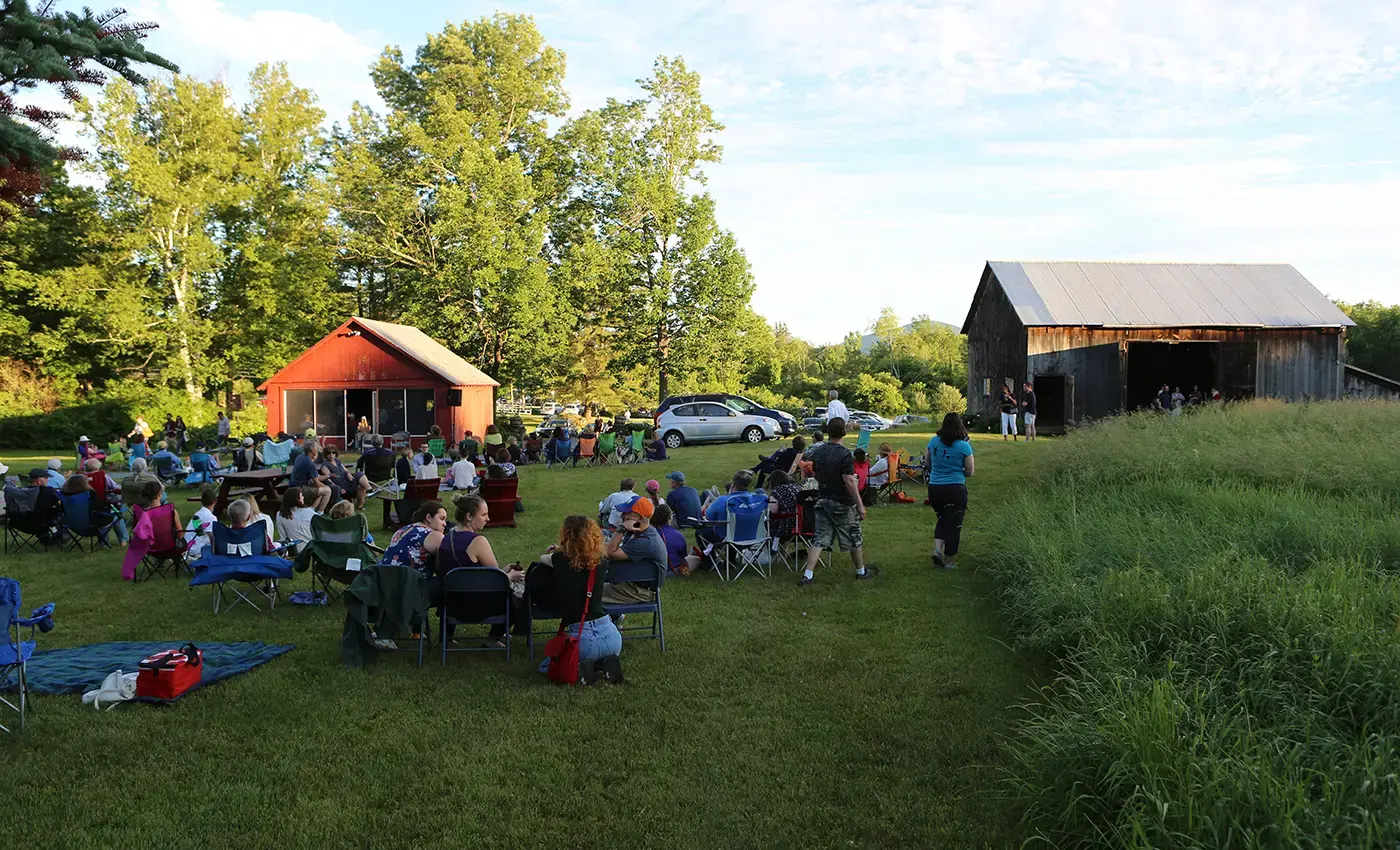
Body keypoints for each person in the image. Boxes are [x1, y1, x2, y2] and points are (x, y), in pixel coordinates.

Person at [530, 515, 622, 682]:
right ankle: (601, 663)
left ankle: (585, 668)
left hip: (584, 638)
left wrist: (559, 550)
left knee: (545, 667)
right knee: (593, 652)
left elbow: (543, 559)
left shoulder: (559, 560)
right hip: (611, 634)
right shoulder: (601, 562)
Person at [439, 494, 526, 646]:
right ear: (469, 516)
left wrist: (504, 571)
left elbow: (463, 572)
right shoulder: (478, 541)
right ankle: (494, 638)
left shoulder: (447, 537)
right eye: (484, 514)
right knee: (517, 598)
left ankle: (446, 637)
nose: (488, 519)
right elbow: (496, 580)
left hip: (451, 604)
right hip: (478, 605)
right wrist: (510, 576)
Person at [800, 417, 874, 584]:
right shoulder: (845, 454)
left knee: (819, 538)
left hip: (823, 499)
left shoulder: (819, 451)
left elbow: (813, 471)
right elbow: (849, 481)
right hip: (842, 502)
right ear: (844, 432)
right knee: (853, 536)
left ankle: (808, 575)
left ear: (828, 432)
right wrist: (860, 505)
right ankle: (861, 571)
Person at [926, 412, 974, 569]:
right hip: (955, 489)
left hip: (935, 488)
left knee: (942, 518)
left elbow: (927, 463)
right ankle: (949, 561)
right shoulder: (964, 446)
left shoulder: (934, 442)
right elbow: (970, 471)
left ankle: (937, 550)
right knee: (954, 525)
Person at [601, 495, 667, 606]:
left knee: (584, 591)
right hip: (629, 584)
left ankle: (602, 617)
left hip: (639, 592)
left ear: (640, 518)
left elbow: (608, 553)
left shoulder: (645, 542)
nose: (622, 515)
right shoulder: (639, 531)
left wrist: (622, 528)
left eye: (627, 513)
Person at [123, 479, 180, 580]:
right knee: (179, 539)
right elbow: (180, 534)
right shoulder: (171, 511)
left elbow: (139, 536)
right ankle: (177, 565)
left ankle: (159, 561)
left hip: (150, 548)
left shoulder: (142, 515)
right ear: (160, 494)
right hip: (170, 547)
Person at [698, 469, 763, 548]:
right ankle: (731, 555)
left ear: (733, 484)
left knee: (699, 532)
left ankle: (710, 556)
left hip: (727, 539)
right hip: (753, 539)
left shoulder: (723, 500)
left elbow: (708, 516)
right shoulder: (757, 500)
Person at [382, 500, 447, 575]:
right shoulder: (431, 535)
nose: (444, 524)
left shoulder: (403, 530)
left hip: (382, 577)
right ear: (428, 517)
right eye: (442, 519)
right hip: (406, 581)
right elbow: (448, 559)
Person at [652, 503, 698, 576]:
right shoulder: (677, 535)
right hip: (672, 570)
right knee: (696, 559)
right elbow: (683, 556)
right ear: (669, 517)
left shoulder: (648, 533)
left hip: (652, 570)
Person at [320, 444, 369, 509]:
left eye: (333, 452)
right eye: (328, 453)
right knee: (359, 479)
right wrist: (339, 488)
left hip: (347, 481)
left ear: (336, 453)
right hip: (341, 486)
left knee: (360, 478)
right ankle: (369, 490)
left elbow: (346, 470)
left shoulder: (337, 461)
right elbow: (328, 479)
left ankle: (360, 505)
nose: (331, 454)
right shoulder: (325, 465)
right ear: (325, 454)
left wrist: (348, 474)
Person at [290, 440, 332, 512]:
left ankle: (311, 510)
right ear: (313, 450)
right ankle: (320, 512)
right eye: (316, 448)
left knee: (320, 491)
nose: (317, 450)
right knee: (327, 490)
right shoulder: (309, 463)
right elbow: (318, 484)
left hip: (292, 486)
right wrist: (327, 487)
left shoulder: (300, 457)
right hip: (300, 489)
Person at [275, 486, 318, 554]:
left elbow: (283, 537)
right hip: (310, 548)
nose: (303, 497)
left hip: (292, 549)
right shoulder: (309, 512)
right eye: (301, 496)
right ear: (297, 499)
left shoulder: (280, 514)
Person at [184, 486, 219, 560]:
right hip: (195, 550)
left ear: (201, 501)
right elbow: (212, 538)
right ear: (215, 501)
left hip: (187, 547)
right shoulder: (211, 517)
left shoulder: (198, 514)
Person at [766, 469, 802, 540]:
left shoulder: (777, 492)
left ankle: (774, 545)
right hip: (802, 524)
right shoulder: (798, 487)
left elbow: (773, 511)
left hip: (786, 525)